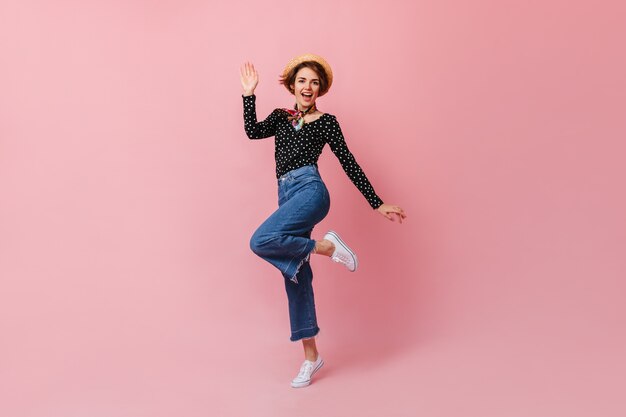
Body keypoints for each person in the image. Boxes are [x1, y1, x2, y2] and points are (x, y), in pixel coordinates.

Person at [239, 54, 406, 388]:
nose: (308, 87)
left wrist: (377, 203)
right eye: (302, 80)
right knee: (295, 275)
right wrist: (248, 95)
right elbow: (251, 132)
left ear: (320, 90)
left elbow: (348, 162)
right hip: (286, 196)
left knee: (260, 240)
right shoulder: (280, 117)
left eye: (314, 82)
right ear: (292, 85)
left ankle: (326, 246)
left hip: (311, 190)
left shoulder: (327, 121)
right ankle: (311, 358)